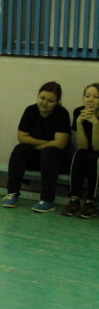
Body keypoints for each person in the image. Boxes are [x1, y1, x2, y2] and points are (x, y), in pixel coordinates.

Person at [1, 82, 71, 212]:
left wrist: (36, 144)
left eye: (50, 101)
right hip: (37, 157)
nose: (44, 103)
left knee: (48, 153)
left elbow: (60, 143)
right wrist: (45, 144)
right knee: (20, 149)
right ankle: (12, 193)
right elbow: (22, 138)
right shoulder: (30, 110)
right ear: (38, 96)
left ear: (57, 102)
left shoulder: (62, 114)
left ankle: (47, 200)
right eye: (42, 98)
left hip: (56, 159)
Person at [61, 83, 99, 218]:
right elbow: (82, 146)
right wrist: (79, 122)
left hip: (97, 153)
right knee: (79, 154)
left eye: (96, 97)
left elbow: (97, 148)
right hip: (87, 152)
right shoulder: (79, 112)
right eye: (87, 96)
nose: (90, 100)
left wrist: (95, 123)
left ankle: (91, 202)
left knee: (95, 157)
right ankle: (74, 200)